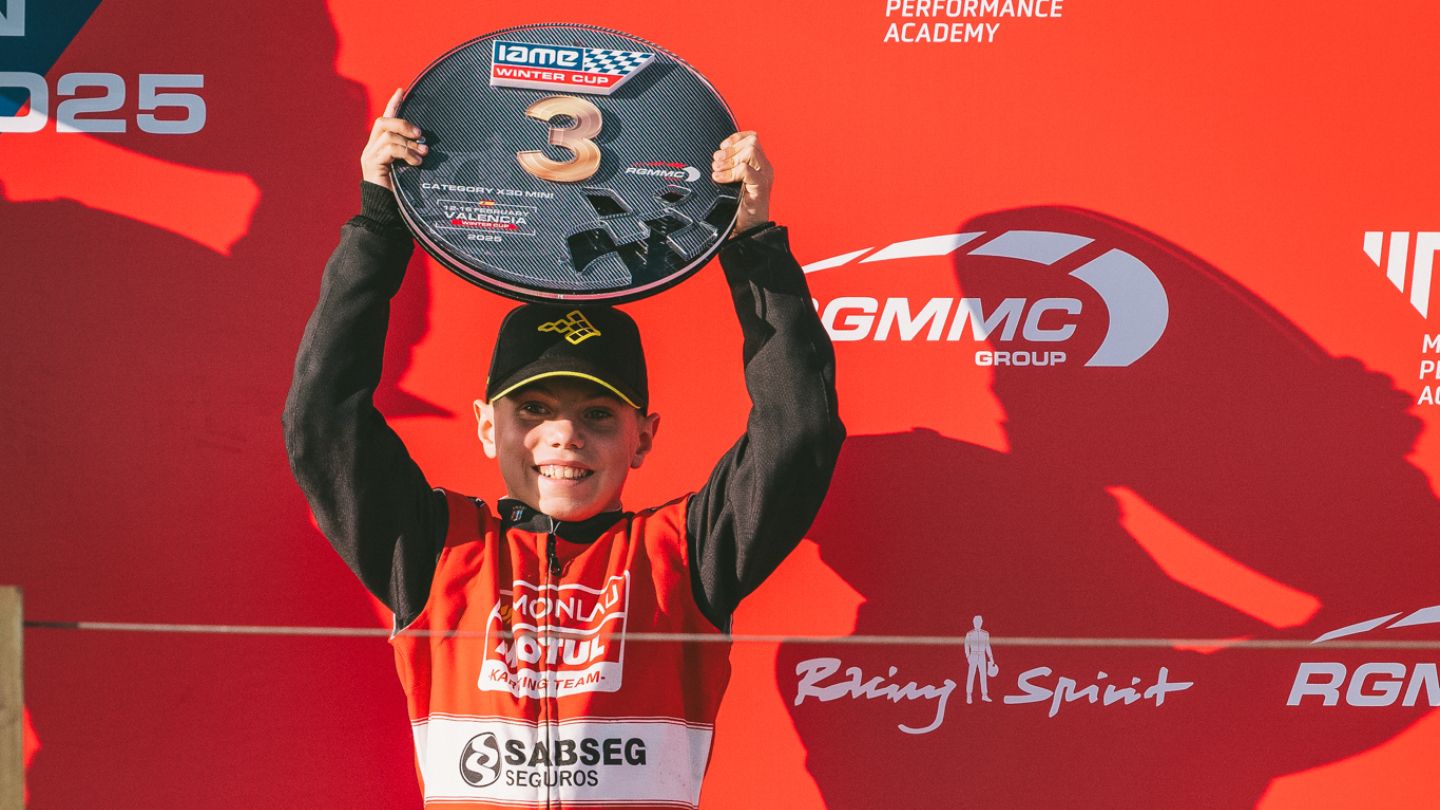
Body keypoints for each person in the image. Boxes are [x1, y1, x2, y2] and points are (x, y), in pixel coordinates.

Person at [283, 88, 844, 808]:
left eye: (598, 414)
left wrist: (750, 243)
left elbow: (800, 431)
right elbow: (321, 422)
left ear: (644, 436)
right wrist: (381, 224)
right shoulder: (435, 551)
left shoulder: (683, 556)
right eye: (534, 410)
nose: (565, 435)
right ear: (487, 425)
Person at [964, 614, 996, 704]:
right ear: (973, 622)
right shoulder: (969, 634)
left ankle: (984, 695)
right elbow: (966, 645)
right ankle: (969, 695)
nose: (977, 623)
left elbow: (987, 646)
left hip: (982, 655)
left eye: (979, 622)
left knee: (983, 675)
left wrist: (991, 658)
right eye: (976, 622)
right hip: (973, 655)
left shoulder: (985, 634)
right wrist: (968, 656)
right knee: (971, 675)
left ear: (981, 622)